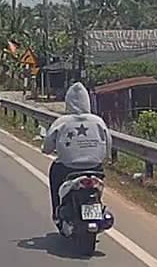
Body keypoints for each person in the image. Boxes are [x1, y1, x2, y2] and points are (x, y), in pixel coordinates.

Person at [41, 82, 110, 225]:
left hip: (67, 168)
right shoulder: (98, 121)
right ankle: (97, 203)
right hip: (95, 167)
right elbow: (108, 144)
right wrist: (104, 157)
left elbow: (47, 146)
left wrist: (46, 149)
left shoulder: (61, 122)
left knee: (54, 173)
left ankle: (57, 212)